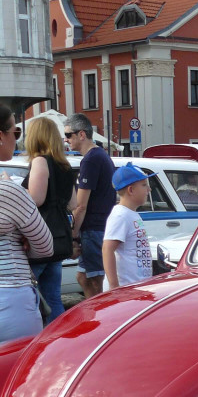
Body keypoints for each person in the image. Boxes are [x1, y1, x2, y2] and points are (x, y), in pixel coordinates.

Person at [1, 102, 54, 343]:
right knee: (18, 375)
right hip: (10, 295)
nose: (17, 139)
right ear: (1, 137)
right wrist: (24, 241)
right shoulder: (9, 192)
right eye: (15, 132)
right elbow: (44, 246)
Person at [23, 120, 76, 324]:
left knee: (31, 296)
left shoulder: (40, 161)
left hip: (39, 238)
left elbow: (36, 199)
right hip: (59, 238)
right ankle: (59, 340)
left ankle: (36, 342)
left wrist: (13, 188)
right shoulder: (64, 165)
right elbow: (73, 203)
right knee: (53, 296)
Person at [66, 113, 116, 298]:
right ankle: (93, 317)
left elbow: (81, 205)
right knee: (83, 278)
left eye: (69, 135)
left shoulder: (90, 160)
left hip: (93, 229)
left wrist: (73, 234)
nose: (66, 139)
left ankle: (100, 320)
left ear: (81, 134)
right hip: (98, 227)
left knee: (95, 282)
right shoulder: (100, 155)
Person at [102, 163, 154, 291]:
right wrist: (114, 286)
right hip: (125, 289)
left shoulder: (131, 214)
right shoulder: (120, 215)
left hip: (136, 287)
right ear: (131, 190)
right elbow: (107, 249)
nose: (149, 189)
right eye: (144, 185)